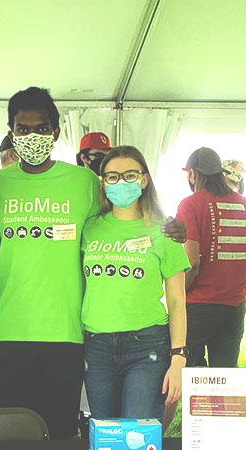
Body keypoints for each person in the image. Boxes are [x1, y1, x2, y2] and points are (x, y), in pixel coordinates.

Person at [0, 87, 187, 438]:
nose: (32, 136)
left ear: (55, 132)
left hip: (67, 333)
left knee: (61, 433)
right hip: (9, 331)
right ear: (11, 132)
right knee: (12, 434)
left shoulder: (82, 181)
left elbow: (123, 213)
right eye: (23, 128)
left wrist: (168, 225)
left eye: (41, 128)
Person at [81, 146, 189, 420]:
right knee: (105, 438)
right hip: (98, 347)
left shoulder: (164, 231)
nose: (121, 182)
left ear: (143, 180)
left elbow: (177, 301)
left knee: (136, 438)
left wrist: (179, 357)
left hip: (147, 346)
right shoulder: (90, 228)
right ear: (103, 183)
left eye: (130, 175)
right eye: (112, 177)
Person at [176, 147, 246, 368]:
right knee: (225, 380)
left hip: (197, 306)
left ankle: (170, 406)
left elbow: (192, 262)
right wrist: (244, 293)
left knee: (182, 371)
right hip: (233, 308)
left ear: (192, 174)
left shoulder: (190, 204)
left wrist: (177, 297)